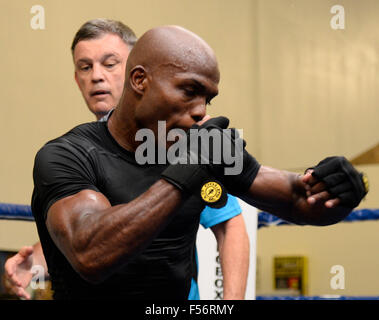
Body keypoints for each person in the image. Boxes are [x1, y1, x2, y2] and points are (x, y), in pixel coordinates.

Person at [30, 25, 367, 300]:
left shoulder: (201, 147)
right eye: (188, 90)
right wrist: (188, 171)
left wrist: (339, 189)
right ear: (140, 81)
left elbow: (299, 200)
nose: (201, 110)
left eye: (207, 97)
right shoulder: (67, 155)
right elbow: (91, 253)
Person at [4, 19, 249, 300]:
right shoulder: (73, 150)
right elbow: (95, 235)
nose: (96, 75)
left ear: (139, 72)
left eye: (109, 64)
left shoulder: (183, 140)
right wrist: (35, 264)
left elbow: (229, 224)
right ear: (76, 77)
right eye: (85, 66)